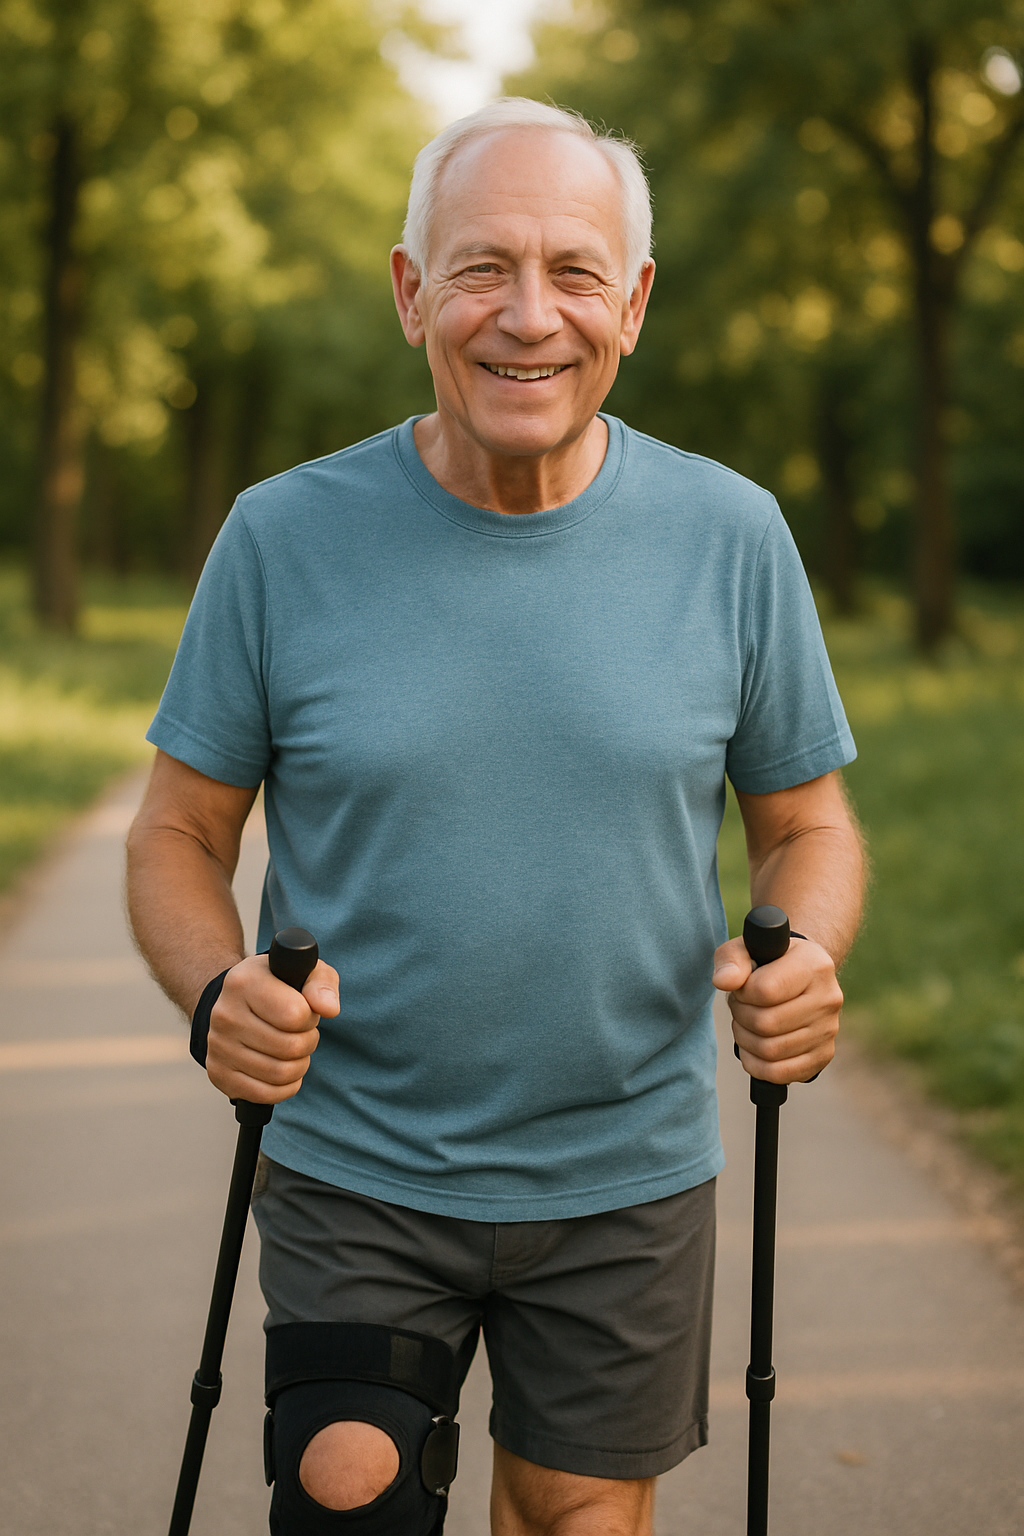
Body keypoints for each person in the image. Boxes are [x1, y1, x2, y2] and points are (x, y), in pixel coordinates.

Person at [127, 98, 865, 1536]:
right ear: (413, 293)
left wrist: (808, 953)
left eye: (575, 272)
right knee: (348, 1500)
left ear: (633, 304)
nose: (529, 317)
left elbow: (810, 824)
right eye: (482, 268)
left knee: (578, 1519)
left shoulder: (733, 538)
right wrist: (213, 986)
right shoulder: (282, 536)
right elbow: (177, 834)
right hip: (356, 1163)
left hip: (626, 1176)